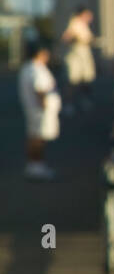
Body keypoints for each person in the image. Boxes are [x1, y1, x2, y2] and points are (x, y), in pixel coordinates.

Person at [17, 40, 61, 181]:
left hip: (35, 110)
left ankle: (34, 165)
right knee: (38, 138)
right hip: (40, 111)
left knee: (34, 136)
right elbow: (40, 90)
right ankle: (36, 165)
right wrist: (44, 107)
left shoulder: (28, 68)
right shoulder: (36, 69)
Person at [61, 6, 97, 112]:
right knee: (73, 81)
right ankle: (68, 103)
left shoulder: (83, 25)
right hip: (76, 57)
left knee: (86, 80)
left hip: (84, 56)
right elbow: (66, 38)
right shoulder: (75, 23)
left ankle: (85, 101)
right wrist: (76, 39)